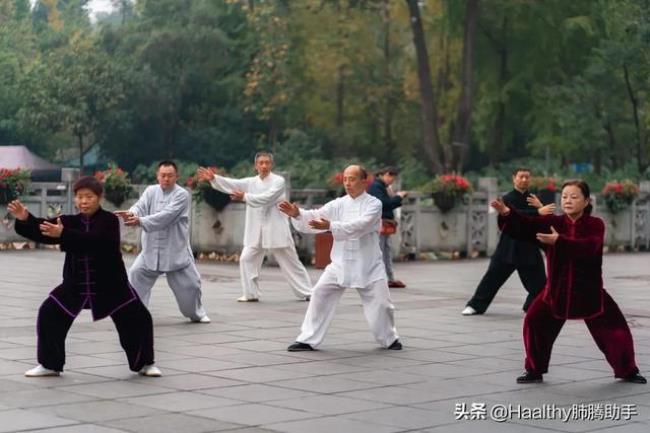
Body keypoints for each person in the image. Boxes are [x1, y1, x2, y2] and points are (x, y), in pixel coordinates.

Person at [491, 179, 646, 384]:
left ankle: (628, 371)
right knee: (534, 322)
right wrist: (506, 214)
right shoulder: (552, 223)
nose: (568, 201)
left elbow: (589, 247)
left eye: (574, 197)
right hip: (556, 292)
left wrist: (559, 241)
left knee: (616, 330)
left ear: (586, 201)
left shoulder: (595, 225)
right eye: (564, 197)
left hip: (590, 293)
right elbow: (525, 226)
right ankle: (534, 370)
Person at [8, 176, 161, 377]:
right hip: (76, 284)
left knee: (139, 318)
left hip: (112, 286)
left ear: (99, 198)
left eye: (88, 197)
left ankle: (145, 364)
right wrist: (25, 218)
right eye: (79, 197)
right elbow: (44, 228)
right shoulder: (69, 221)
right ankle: (50, 364)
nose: (84, 201)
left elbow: (95, 241)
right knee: (49, 313)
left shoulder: (109, 221)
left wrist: (63, 234)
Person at [279, 164, 401, 352]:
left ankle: (390, 339)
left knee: (382, 305)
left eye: (352, 179)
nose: (347, 183)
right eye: (345, 179)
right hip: (340, 263)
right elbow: (316, 215)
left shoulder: (374, 204)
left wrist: (331, 226)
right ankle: (307, 339)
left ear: (364, 181)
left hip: (368, 264)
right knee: (319, 293)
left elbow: (360, 226)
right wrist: (298, 214)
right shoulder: (338, 204)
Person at [197, 152, 311, 302]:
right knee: (246, 259)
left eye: (267, 163)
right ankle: (251, 294)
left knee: (291, 262)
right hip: (256, 230)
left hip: (275, 228)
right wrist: (215, 178)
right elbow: (233, 184)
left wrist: (244, 197)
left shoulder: (278, 181)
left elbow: (267, 198)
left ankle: (308, 292)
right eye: (261, 163)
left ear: (271, 165)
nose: (264, 166)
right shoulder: (251, 182)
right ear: (256, 165)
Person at [116, 161, 209, 323]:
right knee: (135, 275)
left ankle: (197, 313)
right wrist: (131, 214)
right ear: (157, 176)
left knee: (191, 287)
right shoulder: (151, 191)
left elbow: (166, 216)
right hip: (150, 251)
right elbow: (140, 206)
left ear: (177, 177)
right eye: (163, 175)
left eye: (170, 175)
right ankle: (136, 313)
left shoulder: (182, 194)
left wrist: (140, 221)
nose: (166, 179)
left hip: (176, 252)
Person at [462, 168, 554, 315]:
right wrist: (537, 212)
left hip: (529, 247)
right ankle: (475, 305)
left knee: (540, 285)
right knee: (492, 278)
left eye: (527, 177)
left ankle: (531, 307)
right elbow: (513, 217)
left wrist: (540, 207)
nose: (524, 180)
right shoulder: (507, 199)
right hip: (508, 247)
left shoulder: (534, 199)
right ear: (514, 178)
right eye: (521, 177)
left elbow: (544, 220)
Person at [367, 167, 408, 289]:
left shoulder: (382, 187)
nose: (392, 181)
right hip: (379, 224)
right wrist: (398, 197)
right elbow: (384, 204)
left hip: (384, 224)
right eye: (392, 178)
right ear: (385, 174)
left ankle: (388, 278)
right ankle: (380, 278)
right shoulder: (376, 186)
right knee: (380, 252)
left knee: (386, 251)